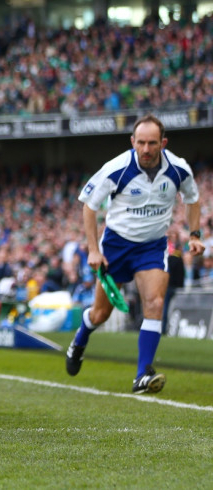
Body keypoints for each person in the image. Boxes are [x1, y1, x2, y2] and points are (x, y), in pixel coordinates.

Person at [65, 114, 205, 394]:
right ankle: (81, 337)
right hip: (116, 247)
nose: (146, 149)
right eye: (140, 142)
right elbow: (89, 206)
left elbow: (192, 199)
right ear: (133, 142)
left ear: (163, 143)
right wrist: (93, 249)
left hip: (152, 246)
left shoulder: (178, 169)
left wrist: (194, 234)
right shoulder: (116, 168)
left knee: (154, 302)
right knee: (101, 314)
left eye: (152, 143)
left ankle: (142, 375)